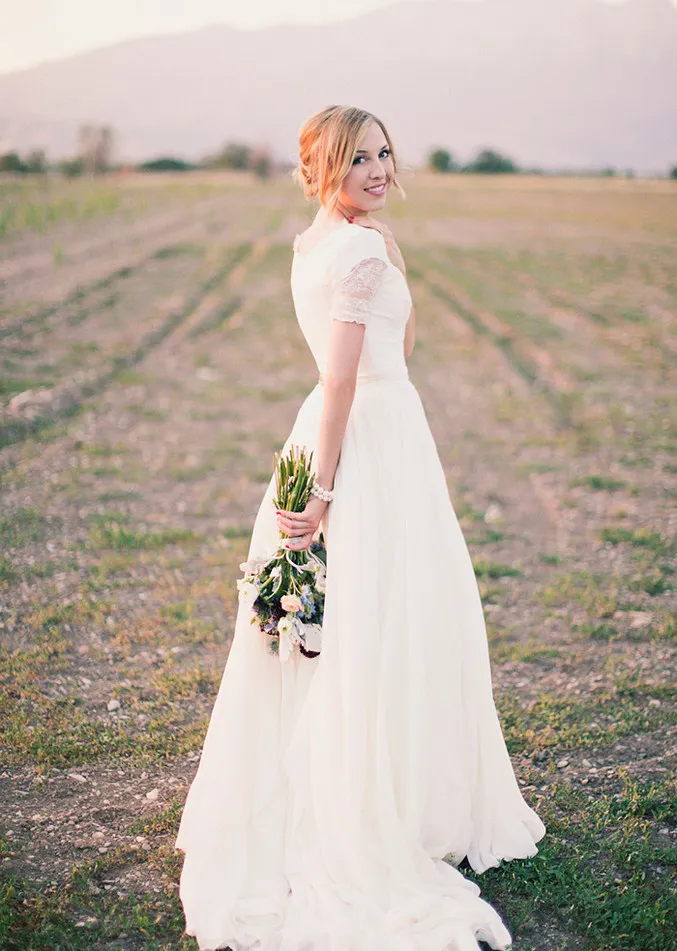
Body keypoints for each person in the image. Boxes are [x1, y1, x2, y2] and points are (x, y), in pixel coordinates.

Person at [175, 104, 546, 951]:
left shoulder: (312, 246)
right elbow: (358, 375)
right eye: (358, 159)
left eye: (384, 153)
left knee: (344, 622)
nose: (378, 170)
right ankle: (375, 803)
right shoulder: (363, 248)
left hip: (331, 430)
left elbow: (360, 360)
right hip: (368, 443)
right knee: (388, 613)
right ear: (322, 171)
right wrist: (328, 494)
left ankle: (360, 782)